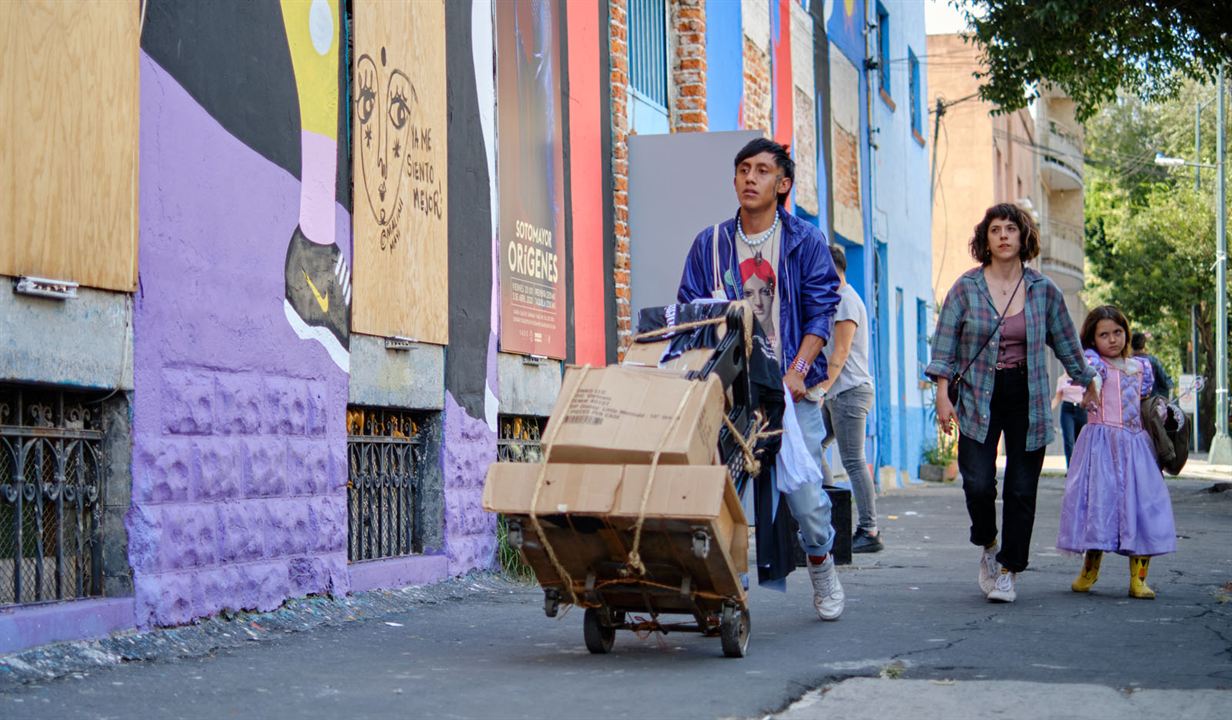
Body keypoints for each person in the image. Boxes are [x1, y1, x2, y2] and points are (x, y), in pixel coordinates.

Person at [678, 138, 845, 620]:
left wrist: (795, 373)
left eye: (763, 170)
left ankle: (820, 561)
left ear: (783, 183)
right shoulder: (709, 244)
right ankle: (726, 588)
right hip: (729, 390)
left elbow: (820, 316)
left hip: (794, 392)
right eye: (743, 169)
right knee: (720, 492)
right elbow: (689, 312)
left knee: (807, 498)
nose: (750, 178)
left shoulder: (805, 242)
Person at [926, 203, 1098, 604]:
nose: (1003, 235)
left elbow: (1068, 344)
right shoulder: (966, 288)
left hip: (1029, 396)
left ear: (1024, 238)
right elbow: (944, 346)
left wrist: (1088, 381)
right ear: (985, 240)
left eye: (1011, 229)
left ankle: (1008, 570)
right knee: (978, 483)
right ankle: (988, 542)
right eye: (995, 230)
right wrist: (941, 394)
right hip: (977, 396)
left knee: (1022, 489)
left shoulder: (1044, 291)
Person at [1058, 306, 1176, 598]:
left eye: (1118, 332)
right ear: (1093, 338)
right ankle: (1089, 570)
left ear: (1126, 332)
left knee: (1144, 508)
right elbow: (1087, 375)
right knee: (1101, 505)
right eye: (1103, 334)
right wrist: (1090, 385)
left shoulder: (1142, 368)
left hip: (1137, 446)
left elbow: (1145, 401)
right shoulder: (1093, 363)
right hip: (1101, 446)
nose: (1112, 339)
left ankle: (1139, 579)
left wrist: (1160, 411)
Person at [818, 243, 881, 553]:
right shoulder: (835, 300)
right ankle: (831, 516)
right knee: (811, 445)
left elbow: (839, 354)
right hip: (838, 393)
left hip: (849, 392)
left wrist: (820, 391)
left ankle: (869, 530)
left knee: (854, 461)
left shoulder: (845, 301)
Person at [1051, 373, 1088, 468]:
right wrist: (1048, 411)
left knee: (1081, 441)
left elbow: (1091, 393)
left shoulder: (1084, 376)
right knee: (1069, 440)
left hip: (1082, 410)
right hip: (1067, 410)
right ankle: (1071, 468)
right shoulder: (1062, 379)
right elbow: (1057, 397)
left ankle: (1081, 468)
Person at [1131, 331, 1172, 400]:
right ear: (1144, 344)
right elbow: (1165, 382)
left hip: (1132, 403)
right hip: (1151, 403)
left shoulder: (1126, 363)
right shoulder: (1152, 361)